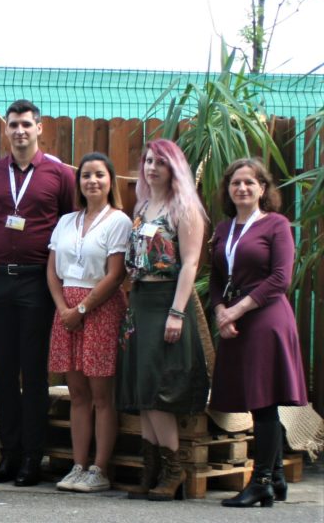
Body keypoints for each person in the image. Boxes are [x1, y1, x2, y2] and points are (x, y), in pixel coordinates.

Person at [0, 99, 75, 486]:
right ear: (6, 130)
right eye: (13, 125)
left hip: (38, 282)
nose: (19, 131)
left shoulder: (59, 175)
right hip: (1, 280)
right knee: (2, 373)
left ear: (39, 128)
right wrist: (3, 262)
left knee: (34, 373)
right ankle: (9, 455)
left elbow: (66, 224)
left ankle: (33, 457)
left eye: (26, 125)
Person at [208, 158, 307, 508]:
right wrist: (221, 311)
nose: (242, 188)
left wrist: (236, 310)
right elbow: (216, 277)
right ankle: (276, 477)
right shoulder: (223, 229)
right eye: (236, 182)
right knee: (255, 399)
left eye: (250, 182)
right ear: (228, 189)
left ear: (263, 188)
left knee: (263, 400)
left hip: (266, 318)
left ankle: (261, 481)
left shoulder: (276, 225)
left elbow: (280, 278)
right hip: (234, 320)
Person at [117, 138, 208, 501]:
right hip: (139, 301)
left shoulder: (184, 208)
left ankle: (173, 471)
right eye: (148, 161)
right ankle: (151, 469)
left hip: (166, 300)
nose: (152, 168)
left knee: (159, 390)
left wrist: (176, 311)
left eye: (160, 162)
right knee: (143, 390)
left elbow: (190, 263)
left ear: (174, 168)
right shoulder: (142, 205)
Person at [46, 153, 130, 492]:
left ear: (110, 181)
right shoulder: (66, 221)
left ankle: (99, 469)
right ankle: (78, 465)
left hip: (100, 310)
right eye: (86, 176)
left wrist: (81, 309)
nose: (92, 181)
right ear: (78, 182)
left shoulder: (119, 221)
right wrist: (63, 308)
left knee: (101, 395)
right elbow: (52, 271)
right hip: (66, 311)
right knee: (78, 394)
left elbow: (115, 275)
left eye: (99, 175)